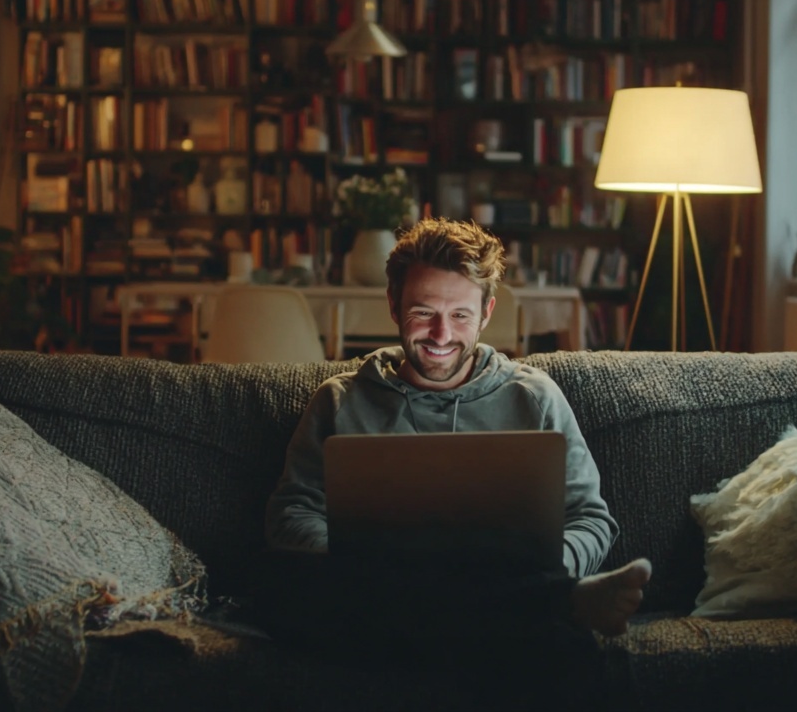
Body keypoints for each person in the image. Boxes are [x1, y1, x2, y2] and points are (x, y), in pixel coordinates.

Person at [255, 218, 650, 702]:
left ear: (487, 312)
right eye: (423, 312)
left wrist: (558, 563)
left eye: (460, 316)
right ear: (394, 303)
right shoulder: (339, 401)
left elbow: (590, 518)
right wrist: (357, 556)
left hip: (487, 585)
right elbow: (291, 513)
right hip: (378, 590)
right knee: (287, 595)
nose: (441, 334)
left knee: (515, 608)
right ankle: (554, 603)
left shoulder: (535, 399)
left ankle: (537, 595)